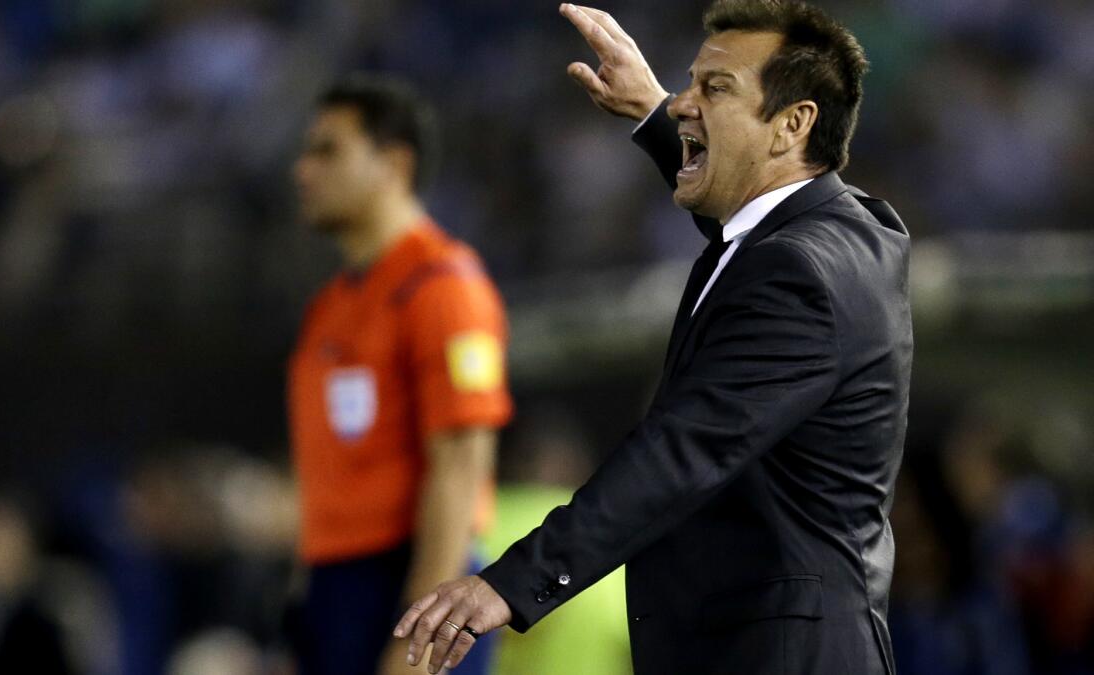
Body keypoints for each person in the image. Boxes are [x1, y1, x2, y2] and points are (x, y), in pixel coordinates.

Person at [393, 2, 913, 674]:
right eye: (689, 84)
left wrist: (512, 582)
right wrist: (653, 113)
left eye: (714, 88)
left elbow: (683, 449)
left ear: (793, 123)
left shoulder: (798, 273)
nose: (683, 104)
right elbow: (754, 218)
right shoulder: (846, 233)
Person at [287, 75, 513, 675]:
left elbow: (462, 465)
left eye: (327, 150)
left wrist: (421, 638)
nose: (302, 171)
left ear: (393, 163)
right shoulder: (329, 306)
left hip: (412, 584)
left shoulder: (444, 288)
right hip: (337, 589)